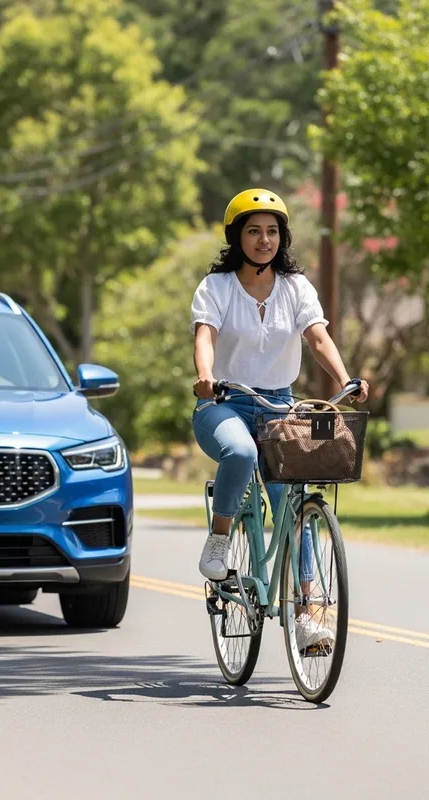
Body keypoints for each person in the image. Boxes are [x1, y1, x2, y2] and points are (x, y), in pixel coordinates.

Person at [189, 188, 369, 648]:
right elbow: (205, 336)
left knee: (295, 503)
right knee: (241, 451)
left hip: (278, 405)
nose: (263, 240)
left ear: (282, 237)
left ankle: (307, 613)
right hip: (224, 403)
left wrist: (347, 379)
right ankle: (220, 541)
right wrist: (206, 378)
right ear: (237, 237)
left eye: (272, 231)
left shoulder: (295, 287)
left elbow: (318, 338)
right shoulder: (217, 287)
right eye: (253, 231)